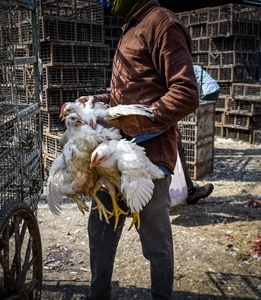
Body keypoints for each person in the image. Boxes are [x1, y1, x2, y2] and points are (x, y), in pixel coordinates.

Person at [77, 0, 199, 298]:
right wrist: (96, 101)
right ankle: (98, 294)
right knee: (101, 231)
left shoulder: (162, 24)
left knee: (155, 242)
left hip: (148, 159)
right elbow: (131, 94)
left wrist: (136, 119)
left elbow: (185, 93)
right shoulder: (132, 25)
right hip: (114, 153)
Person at [179, 65, 217, 204]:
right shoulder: (187, 67)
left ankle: (189, 191)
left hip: (209, 91)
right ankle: (189, 191)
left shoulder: (188, 68)